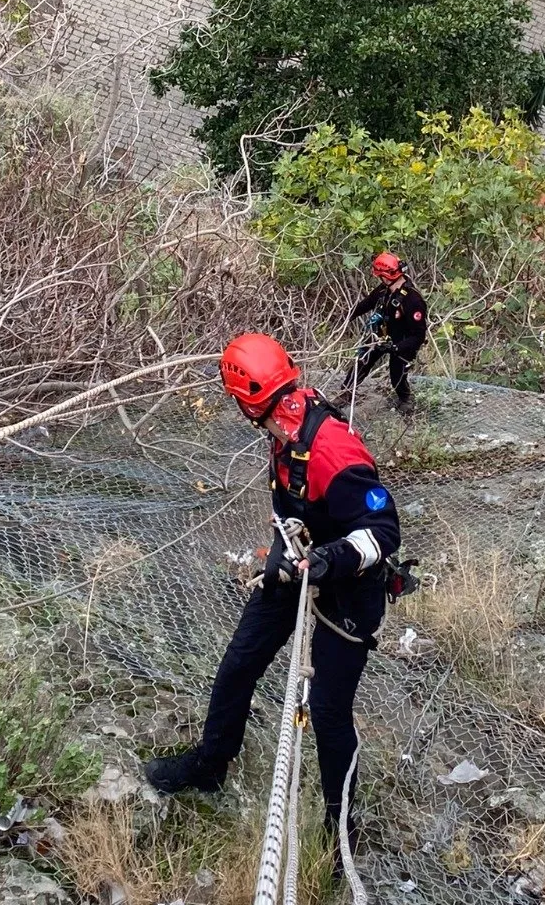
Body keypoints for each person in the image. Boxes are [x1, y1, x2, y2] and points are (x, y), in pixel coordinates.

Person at [144, 332, 400, 858]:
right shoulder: (282, 428)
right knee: (240, 661)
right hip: (296, 565)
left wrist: (330, 561)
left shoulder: (331, 448)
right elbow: (291, 501)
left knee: (328, 711)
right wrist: (286, 556)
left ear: (244, 401)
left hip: (349, 588)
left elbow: (383, 530)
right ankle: (211, 764)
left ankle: (341, 831)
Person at [350, 252, 428, 410]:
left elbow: (418, 336)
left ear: (385, 276)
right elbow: (366, 304)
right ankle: (346, 392)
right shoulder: (383, 291)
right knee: (362, 361)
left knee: (397, 375)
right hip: (381, 335)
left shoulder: (413, 300)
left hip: (403, 341)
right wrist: (348, 317)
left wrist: (396, 348)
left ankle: (405, 400)